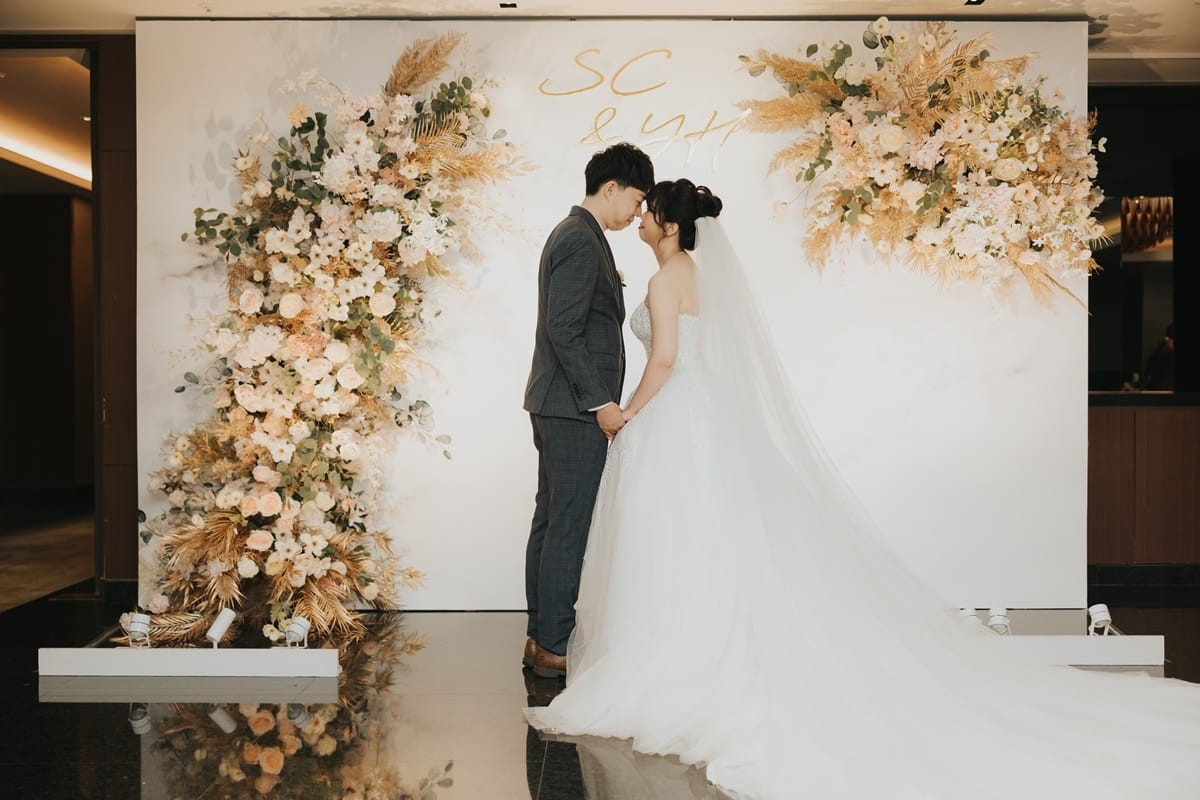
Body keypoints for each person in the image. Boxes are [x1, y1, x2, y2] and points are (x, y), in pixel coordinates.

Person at [527, 179, 1200, 799]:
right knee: (712, 540)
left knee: (675, 542)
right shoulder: (698, 275)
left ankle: (673, 658)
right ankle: (701, 648)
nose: (641, 220)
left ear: (670, 227)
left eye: (649, 214)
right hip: (707, 419)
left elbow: (668, 359)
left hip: (675, 418)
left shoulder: (664, 279)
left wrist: (629, 412)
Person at [523, 143, 654, 679]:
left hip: (555, 402)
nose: (638, 212)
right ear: (611, 188)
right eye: (637, 199)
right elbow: (565, 329)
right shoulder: (580, 238)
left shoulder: (577, 233)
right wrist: (601, 402)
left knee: (552, 520)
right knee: (568, 525)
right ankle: (554, 645)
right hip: (572, 407)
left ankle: (540, 637)